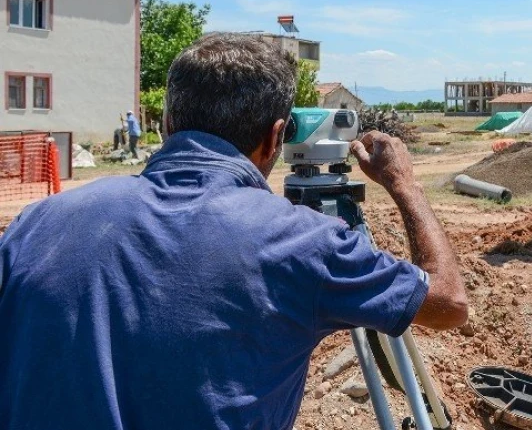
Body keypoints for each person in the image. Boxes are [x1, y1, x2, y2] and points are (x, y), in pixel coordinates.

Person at [0, 33, 468, 429]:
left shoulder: (35, 225)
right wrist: (404, 184)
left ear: (166, 125)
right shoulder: (301, 243)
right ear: (275, 137)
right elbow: (449, 304)